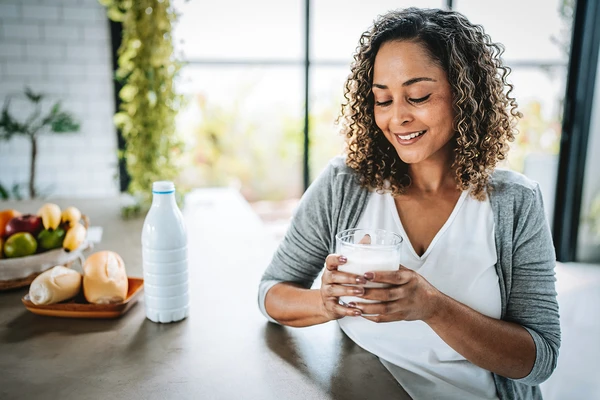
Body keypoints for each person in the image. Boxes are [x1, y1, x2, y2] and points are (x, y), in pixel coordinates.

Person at [258, 7, 560, 400]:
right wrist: (326, 302)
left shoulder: (514, 203)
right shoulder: (344, 186)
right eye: (383, 100)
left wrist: (432, 306)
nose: (397, 117)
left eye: (417, 96)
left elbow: (540, 359)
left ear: (465, 93)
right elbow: (271, 293)